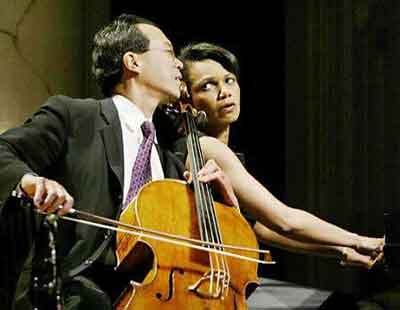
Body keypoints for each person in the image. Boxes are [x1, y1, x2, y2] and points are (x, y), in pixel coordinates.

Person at [0, 15, 238, 309]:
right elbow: (3, 152)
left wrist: (227, 205)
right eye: (167, 52)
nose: (179, 65)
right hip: (71, 292)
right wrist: (31, 181)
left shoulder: (171, 163)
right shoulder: (75, 117)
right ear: (132, 62)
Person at [168, 42, 384, 268]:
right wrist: (360, 241)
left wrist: (341, 250)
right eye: (207, 86)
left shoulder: (216, 150)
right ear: (186, 98)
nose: (225, 92)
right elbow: (285, 221)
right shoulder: (207, 148)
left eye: (229, 80)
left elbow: (260, 228)